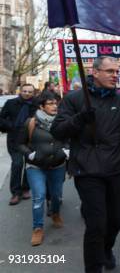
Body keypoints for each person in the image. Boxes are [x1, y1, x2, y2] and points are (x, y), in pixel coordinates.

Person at [51, 56, 120, 273]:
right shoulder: (75, 99)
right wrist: (81, 118)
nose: (114, 75)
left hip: (115, 169)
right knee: (96, 224)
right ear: (95, 72)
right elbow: (58, 130)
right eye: (109, 71)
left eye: (116, 71)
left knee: (118, 219)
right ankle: (94, 267)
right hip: (87, 169)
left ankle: (105, 249)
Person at [16, 92, 68, 246]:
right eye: (50, 103)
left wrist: (66, 150)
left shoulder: (62, 121)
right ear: (41, 106)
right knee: (39, 196)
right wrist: (30, 155)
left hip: (58, 166)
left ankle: (55, 213)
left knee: (57, 196)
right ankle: (37, 228)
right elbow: (20, 143)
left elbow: (69, 139)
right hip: (36, 167)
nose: (54, 106)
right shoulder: (30, 123)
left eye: (56, 103)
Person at [0, 83, 36, 205]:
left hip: (30, 140)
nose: (27, 93)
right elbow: (1, 118)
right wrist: (10, 126)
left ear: (33, 93)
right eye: (25, 91)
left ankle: (26, 189)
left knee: (29, 164)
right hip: (14, 139)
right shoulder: (10, 103)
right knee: (17, 164)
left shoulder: (36, 105)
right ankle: (15, 192)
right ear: (20, 91)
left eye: (29, 92)